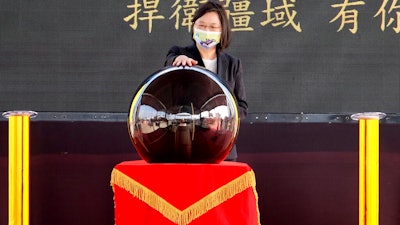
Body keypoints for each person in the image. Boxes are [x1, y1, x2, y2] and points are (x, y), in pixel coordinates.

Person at [164, 0, 248, 161]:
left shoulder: (232, 64)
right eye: (201, 25)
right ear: (193, 26)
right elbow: (169, 62)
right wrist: (177, 60)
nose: (206, 31)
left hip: (223, 148)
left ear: (222, 31)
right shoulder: (180, 53)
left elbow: (242, 107)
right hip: (186, 145)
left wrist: (222, 117)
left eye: (213, 27)